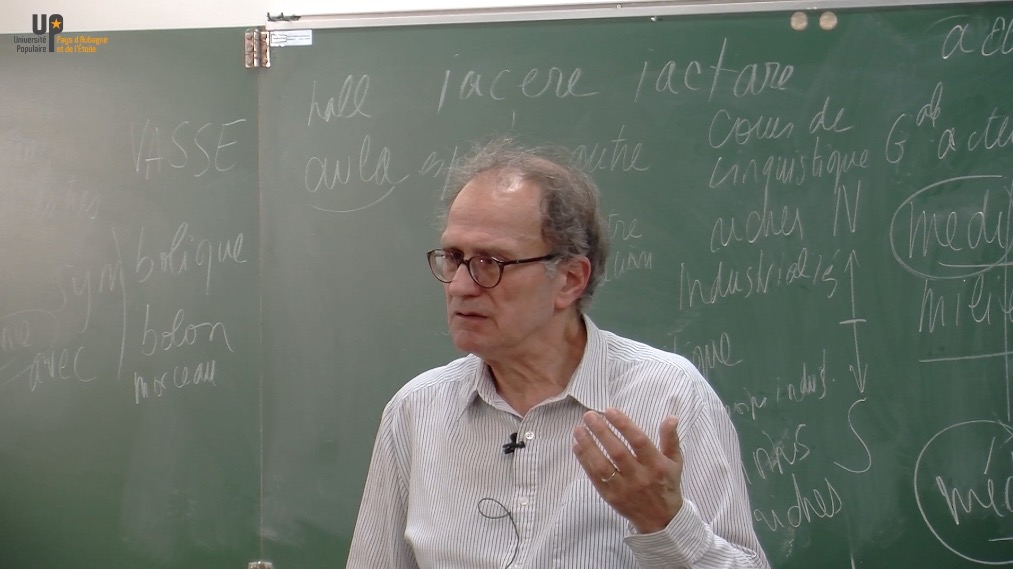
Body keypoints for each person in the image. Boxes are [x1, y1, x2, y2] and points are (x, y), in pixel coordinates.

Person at [347, 138, 770, 569]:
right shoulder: (416, 410)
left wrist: (664, 522)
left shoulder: (668, 396)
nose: (459, 285)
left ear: (569, 279)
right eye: (454, 257)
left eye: (491, 262)